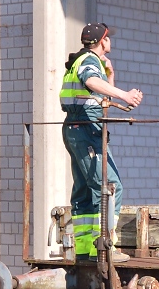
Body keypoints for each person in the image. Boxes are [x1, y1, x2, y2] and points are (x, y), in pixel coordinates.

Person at [60, 22, 143, 261]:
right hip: (85, 129)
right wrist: (125, 95)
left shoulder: (82, 59)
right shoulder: (88, 61)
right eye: (108, 38)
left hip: (77, 128)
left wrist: (111, 76)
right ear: (102, 41)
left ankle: (85, 248)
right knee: (109, 186)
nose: (110, 41)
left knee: (85, 190)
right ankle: (105, 247)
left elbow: (99, 95)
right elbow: (90, 82)